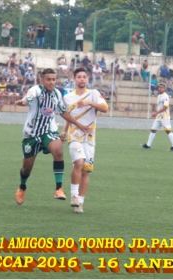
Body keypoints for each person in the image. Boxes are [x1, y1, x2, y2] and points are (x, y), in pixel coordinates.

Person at [14, 68, 90, 205]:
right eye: (48, 79)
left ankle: (59, 188)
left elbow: (63, 112)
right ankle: (22, 186)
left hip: (49, 131)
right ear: (41, 80)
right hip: (31, 134)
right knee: (26, 168)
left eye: (54, 79)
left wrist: (80, 125)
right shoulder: (36, 90)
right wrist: (23, 102)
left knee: (58, 150)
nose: (52, 82)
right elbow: (28, 97)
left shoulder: (56, 94)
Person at [60, 67, 108, 213]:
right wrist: (64, 130)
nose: (82, 79)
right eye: (79, 77)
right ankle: (74, 196)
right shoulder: (68, 98)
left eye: (84, 77)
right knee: (78, 162)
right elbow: (68, 116)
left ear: (87, 79)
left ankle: (80, 202)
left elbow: (105, 108)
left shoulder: (93, 94)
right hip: (74, 136)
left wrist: (89, 103)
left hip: (90, 138)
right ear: (74, 79)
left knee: (85, 172)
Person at [141, 82, 173, 152]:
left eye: (162, 87)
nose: (160, 89)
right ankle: (148, 145)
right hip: (159, 116)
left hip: (164, 116)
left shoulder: (165, 96)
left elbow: (165, 107)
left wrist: (156, 112)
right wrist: (157, 113)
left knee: (168, 131)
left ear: (164, 88)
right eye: (159, 87)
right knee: (153, 129)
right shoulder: (159, 96)